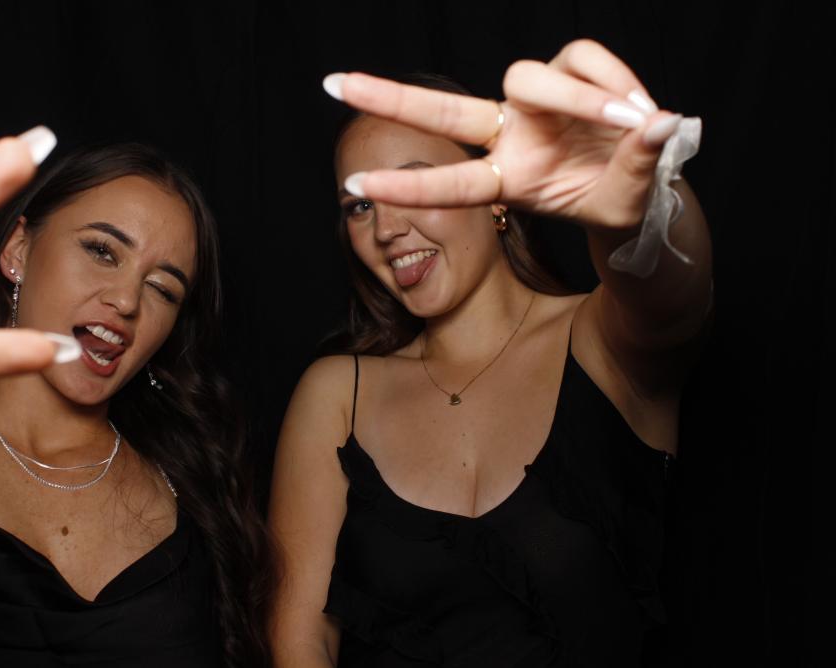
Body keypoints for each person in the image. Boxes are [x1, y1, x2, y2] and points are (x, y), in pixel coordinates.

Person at [269, 40, 713, 666]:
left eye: (414, 184)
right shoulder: (338, 393)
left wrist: (639, 205)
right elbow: (298, 643)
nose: (387, 229)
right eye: (361, 205)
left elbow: (674, 296)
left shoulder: (600, 340)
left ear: (497, 191)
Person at [0, 134, 271, 666]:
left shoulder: (189, 487)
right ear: (19, 250)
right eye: (102, 251)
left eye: (162, 288)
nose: (126, 300)